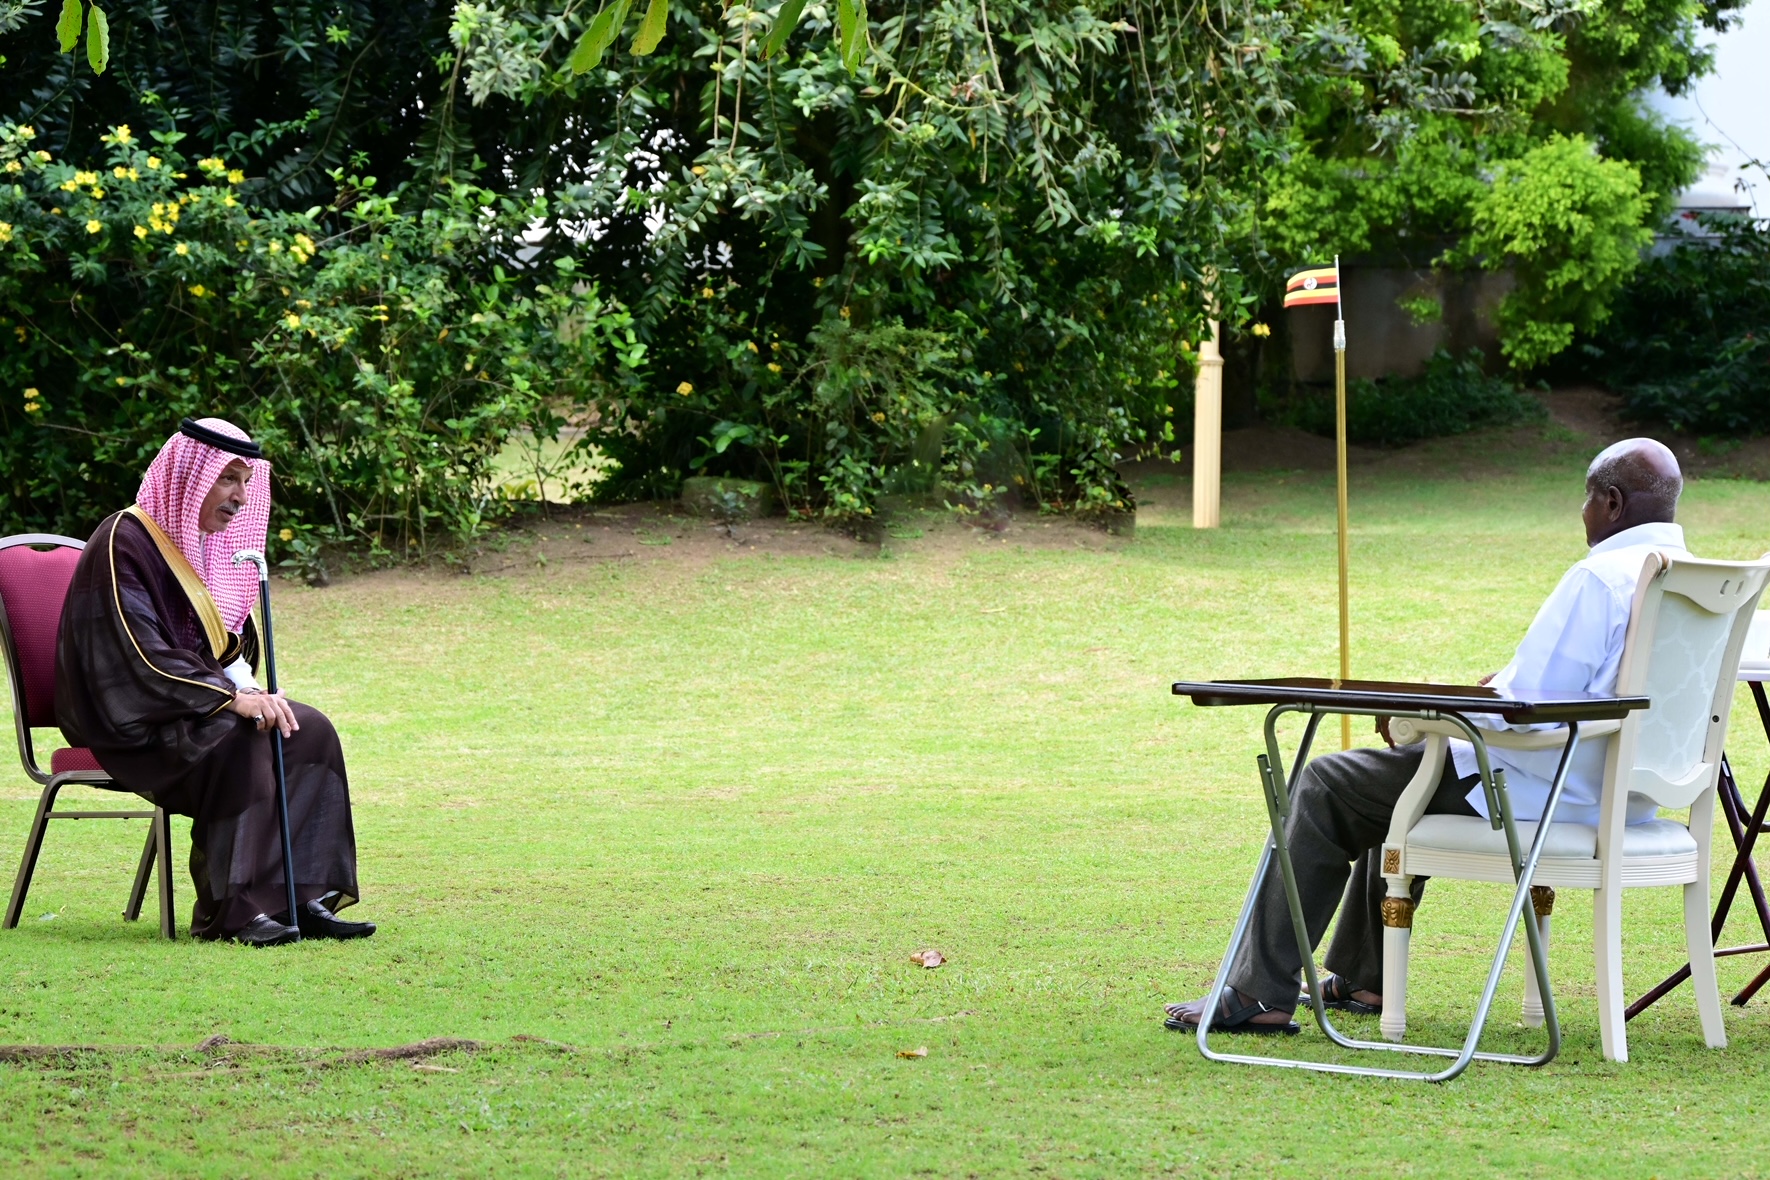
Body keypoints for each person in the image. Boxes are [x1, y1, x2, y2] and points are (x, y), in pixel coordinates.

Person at [1165, 438, 1688, 1033]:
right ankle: (1365, 977)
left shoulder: (1601, 578)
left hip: (1536, 791)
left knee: (1327, 783)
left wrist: (1423, 710)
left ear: (1612, 502)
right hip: (1624, 799)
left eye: (1588, 501)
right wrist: (1496, 693)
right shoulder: (1692, 581)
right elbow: (1588, 692)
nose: (1584, 515)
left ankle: (1258, 993)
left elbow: (1527, 711)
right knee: (1396, 779)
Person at [55, 417, 374, 946]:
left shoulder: (203, 546)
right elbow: (141, 655)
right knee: (241, 738)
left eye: (246, 482)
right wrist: (231, 700)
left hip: (192, 707)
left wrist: (250, 691)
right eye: (228, 479)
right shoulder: (122, 540)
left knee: (307, 729)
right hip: (134, 720)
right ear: (191, 477)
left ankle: (298, 895)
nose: (240, 498)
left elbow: (219, 646)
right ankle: (234, 912)